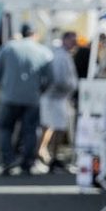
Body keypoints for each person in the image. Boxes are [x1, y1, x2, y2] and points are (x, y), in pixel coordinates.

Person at [0, 23, 52, 175]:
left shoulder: (8, 48)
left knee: (5, 129)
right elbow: (50, 78)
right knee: (30, 130)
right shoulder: (43, 51)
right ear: (35, 34)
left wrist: (4, 87)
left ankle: (8, 161)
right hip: (32, 98)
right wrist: (40, 90)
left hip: (9, 96)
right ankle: (27, 162)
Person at [38, 31, 79, 172]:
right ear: (65, 40)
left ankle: (46, 153)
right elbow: (60, 79)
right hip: (56, 97)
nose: (74, 43)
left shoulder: (61, 55)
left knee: (50, 126)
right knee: (56, 127)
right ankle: (49, 155)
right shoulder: (61, 56)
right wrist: (69, 88)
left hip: (56, 96)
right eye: (72, 40)